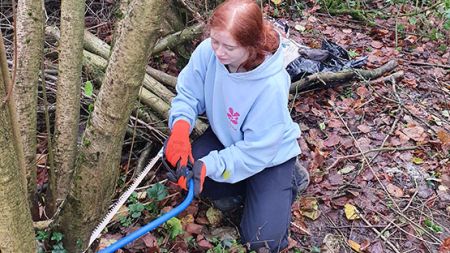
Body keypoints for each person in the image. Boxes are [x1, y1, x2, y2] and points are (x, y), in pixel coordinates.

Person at [163, 0, 309, 252]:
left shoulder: (270, 85)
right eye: (215, 41)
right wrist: (180, 128)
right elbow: (188, 94)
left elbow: (256, 151)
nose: (218, 52)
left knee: (261, 242)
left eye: (228, 47)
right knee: (180, 162)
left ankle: (290, 179)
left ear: (252, 46)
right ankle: (240, 188)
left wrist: (211, 165)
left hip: (268, 157)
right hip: (227, 139)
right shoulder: (208, 52)